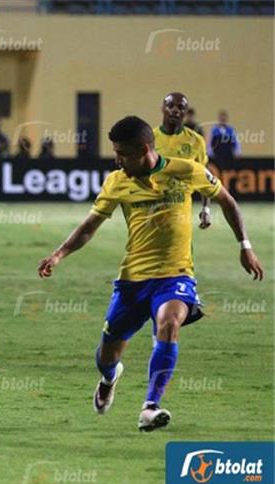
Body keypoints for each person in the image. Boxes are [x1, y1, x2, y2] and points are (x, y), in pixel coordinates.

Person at [37, 116, 263, 431]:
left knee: (169, 323)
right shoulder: (116, 182)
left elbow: (227, 201)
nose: (117, 160)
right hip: (133, 280)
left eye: (122, 153)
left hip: (176, 275)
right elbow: (90, 226)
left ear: (144, 149)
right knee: (107, 355)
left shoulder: (186, 170)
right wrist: (59, 254)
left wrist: (245, 246)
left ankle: (150, 406)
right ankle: (109, 377)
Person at [154, 92, 211, 228]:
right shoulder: (149, 139)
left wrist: (206, 209)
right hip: (151, 211)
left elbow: (204, 176)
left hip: (182, 217)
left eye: (180, 107)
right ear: (162, 108)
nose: (175, 110)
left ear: (185, 112)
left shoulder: (196, 141)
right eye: (170, 106)